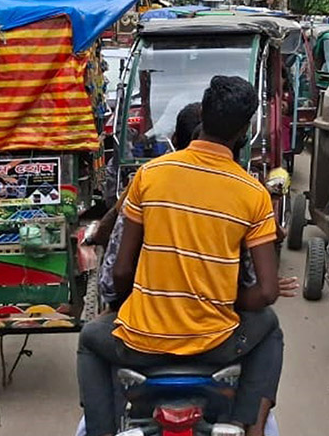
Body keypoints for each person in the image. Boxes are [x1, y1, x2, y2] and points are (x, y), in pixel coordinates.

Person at [77, 76, 284, 436]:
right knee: (270, 329)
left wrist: (134, 303)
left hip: (142, 342)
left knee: (90, 340)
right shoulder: (254, 193)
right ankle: (249, 426)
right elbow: (266, 292)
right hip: (216, 344)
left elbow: (122, 270)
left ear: (203, 114)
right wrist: (226, 301)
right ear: (244, 131)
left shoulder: (150, 175)